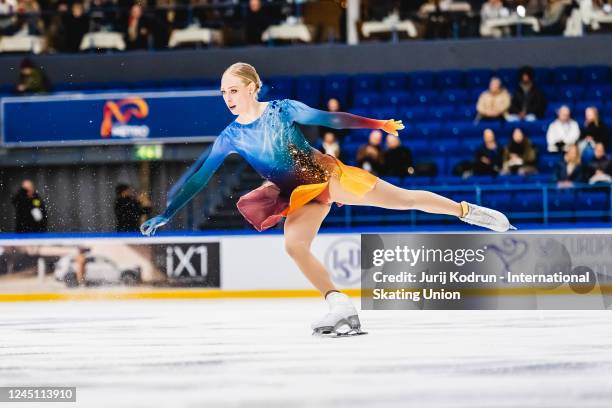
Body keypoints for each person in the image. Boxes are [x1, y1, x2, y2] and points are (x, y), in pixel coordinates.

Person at [140, 62, 515, 336]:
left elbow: (330, 119)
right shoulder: (230, 136)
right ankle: (339, 304)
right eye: (222, 92)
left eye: (233, 90)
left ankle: (467, 211)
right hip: (298, 194)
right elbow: (199, 177)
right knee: (294, 246)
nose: (227, 98)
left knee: (403, 199)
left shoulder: (282, 109)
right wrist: (167, 212)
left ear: (253, 87)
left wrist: (377, 125)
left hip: (326, 176)